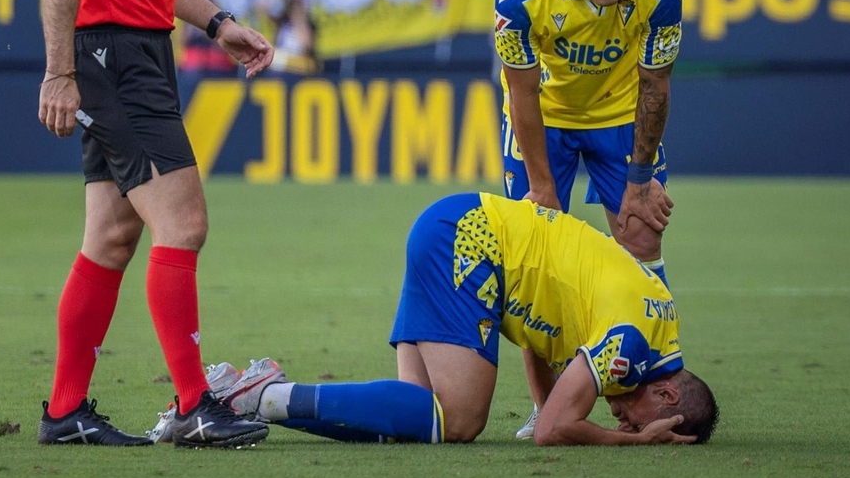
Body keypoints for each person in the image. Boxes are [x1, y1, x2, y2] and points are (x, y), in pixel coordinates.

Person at [37, 0, 275, 449]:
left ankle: (65, 412)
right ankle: (195, 404)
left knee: (112, 236)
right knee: (184, 224)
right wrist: (59, 70)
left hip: (141, 50)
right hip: (111, 56)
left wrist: (217, 21)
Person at [181, 192, 716, 448]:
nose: (623, 420)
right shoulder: (634, 344)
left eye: (630, 426)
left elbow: (543, 340)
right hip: (471, 240)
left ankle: (256, 401)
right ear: (666, 395)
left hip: (459, 228)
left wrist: (545, 404)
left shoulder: (656, 324)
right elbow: (552, 433)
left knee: (418, 425)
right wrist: (631, 442)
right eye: (638, 418)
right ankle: (260, 394)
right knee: (461, 421)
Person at [492, 0, 681, 438]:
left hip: (620, 114)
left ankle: (649, 389)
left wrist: (641, 181)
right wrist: (543, 189)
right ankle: (544, 407)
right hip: (545, 119)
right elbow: (521, 94)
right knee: (536, 261)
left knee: (643, 235)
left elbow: (656, 84)